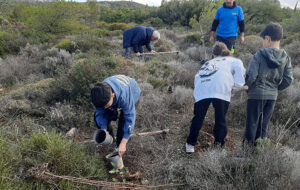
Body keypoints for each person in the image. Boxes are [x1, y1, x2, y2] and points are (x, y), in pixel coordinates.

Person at [186, 42, 246, 153]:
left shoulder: (207, 63)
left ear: (213, 54)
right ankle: (218, 147)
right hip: (221, 89)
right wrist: (234, 89)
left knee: (198, 118)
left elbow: (197, 77)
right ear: (226, 52)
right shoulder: (234, 61)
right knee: (220, 119)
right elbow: (240, 77)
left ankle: (190, 145)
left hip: (202, 89)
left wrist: (198, 95)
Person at [244, 23, 293, 144]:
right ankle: (259, 153)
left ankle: (247, 154)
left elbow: (252, 76)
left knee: (252, 124)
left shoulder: (259, 55)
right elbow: (288, 79)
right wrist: (275, 88)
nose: (262, 44)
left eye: (263, 41)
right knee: (263, 126)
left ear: (268, 38)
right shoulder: (286, 57)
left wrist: (247, 88)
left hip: (256, 94)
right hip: (272, 96)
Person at [91, 75, 141, 157]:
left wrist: (124, 142)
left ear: (113, 95)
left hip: (132, 90)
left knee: (123, 122)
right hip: (114, 94)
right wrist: (104, 128)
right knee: (102, 115)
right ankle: (110, 137)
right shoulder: (99, 95)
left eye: (106, 105)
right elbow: (99, 113)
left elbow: (130, 119)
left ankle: (119, 147)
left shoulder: (124, 97)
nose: (104, 108)